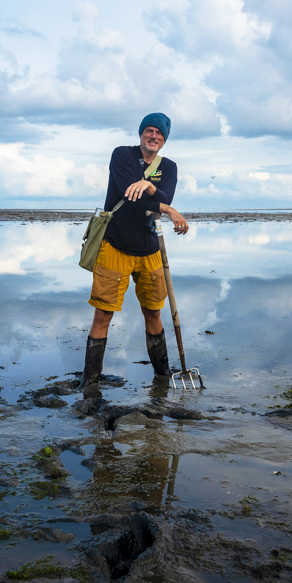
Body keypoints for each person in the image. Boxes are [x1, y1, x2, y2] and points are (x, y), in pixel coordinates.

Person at [81, 112, 189, 388]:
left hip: (150, 250)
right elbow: (131, 199)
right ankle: (90, 382)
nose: (154, 136)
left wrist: (151, 186)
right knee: (103, 313)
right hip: (114, 245)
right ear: (141, 133)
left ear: (164, 140)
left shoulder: (170, 166)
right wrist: (165, 206)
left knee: (154, 311)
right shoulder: (122, 155)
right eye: (149, 131)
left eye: (160, 134)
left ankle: (163, 377)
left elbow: (166, 195)